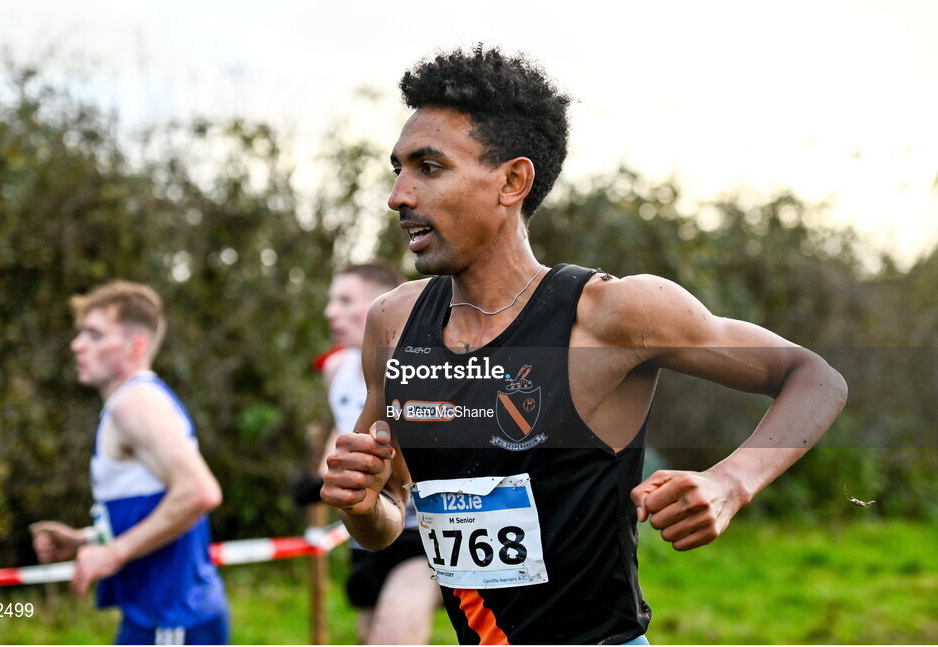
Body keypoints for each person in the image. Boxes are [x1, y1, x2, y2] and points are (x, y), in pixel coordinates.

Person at [320, 47, 848, 645]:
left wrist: (731, 481)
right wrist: (361, 506)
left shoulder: (611, 316)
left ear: (513, 181)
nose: (398, 195)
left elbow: (815, 376)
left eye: (429, 168)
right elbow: (386, 514)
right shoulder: (395, 321)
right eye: (398, 169)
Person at [30, 281, 229, 645]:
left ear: (135, 346)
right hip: (159, 616)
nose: (77, 345)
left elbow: (199, 492)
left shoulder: (134, 404)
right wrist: (84, 540)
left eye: (94, 334)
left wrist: (112, 553)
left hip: (171, 618)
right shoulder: (138, 400)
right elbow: (154, 501)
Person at [320, 262, 442, 644]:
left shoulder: (424, 364)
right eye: (331, 300)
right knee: (368, 636)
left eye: (344, 300)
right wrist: (324, 476)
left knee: (392, 636)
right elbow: (341, 430)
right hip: (369, 529)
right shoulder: (336, 369)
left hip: (424, 531)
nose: (330, 312)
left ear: (380, 306)